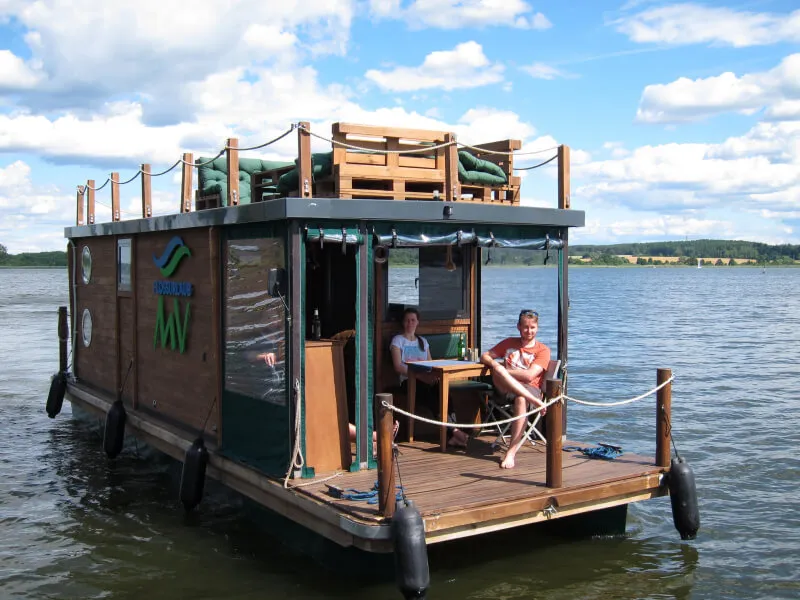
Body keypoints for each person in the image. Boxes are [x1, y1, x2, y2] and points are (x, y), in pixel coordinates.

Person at [480, 309, 550, 469]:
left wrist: (504, 371)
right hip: (504, 390)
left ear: (537, 327)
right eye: (525, 327)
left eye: (532, 327)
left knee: (521, 398)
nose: (529, 331)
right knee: (497, 369)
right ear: (518, 327)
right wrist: (494, 364)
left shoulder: (542, 350)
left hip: (529, 389)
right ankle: (535, 402)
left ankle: (511, 452)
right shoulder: (509, 343)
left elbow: (529, 376)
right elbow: (485, 356)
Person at [390, 307, 469, 448]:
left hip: (426, 380)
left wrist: (432, 376)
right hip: (409, 382)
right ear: (403, 323)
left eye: (413, 320)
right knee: (432, 398)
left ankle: (453, 433)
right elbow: (398, 366)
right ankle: (455, 431)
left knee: (443, 392)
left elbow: (431, 364)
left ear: (417, 322)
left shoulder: (423, 341)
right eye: (407, 320)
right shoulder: (398, 341)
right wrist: (420, 376)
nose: (410, 323)